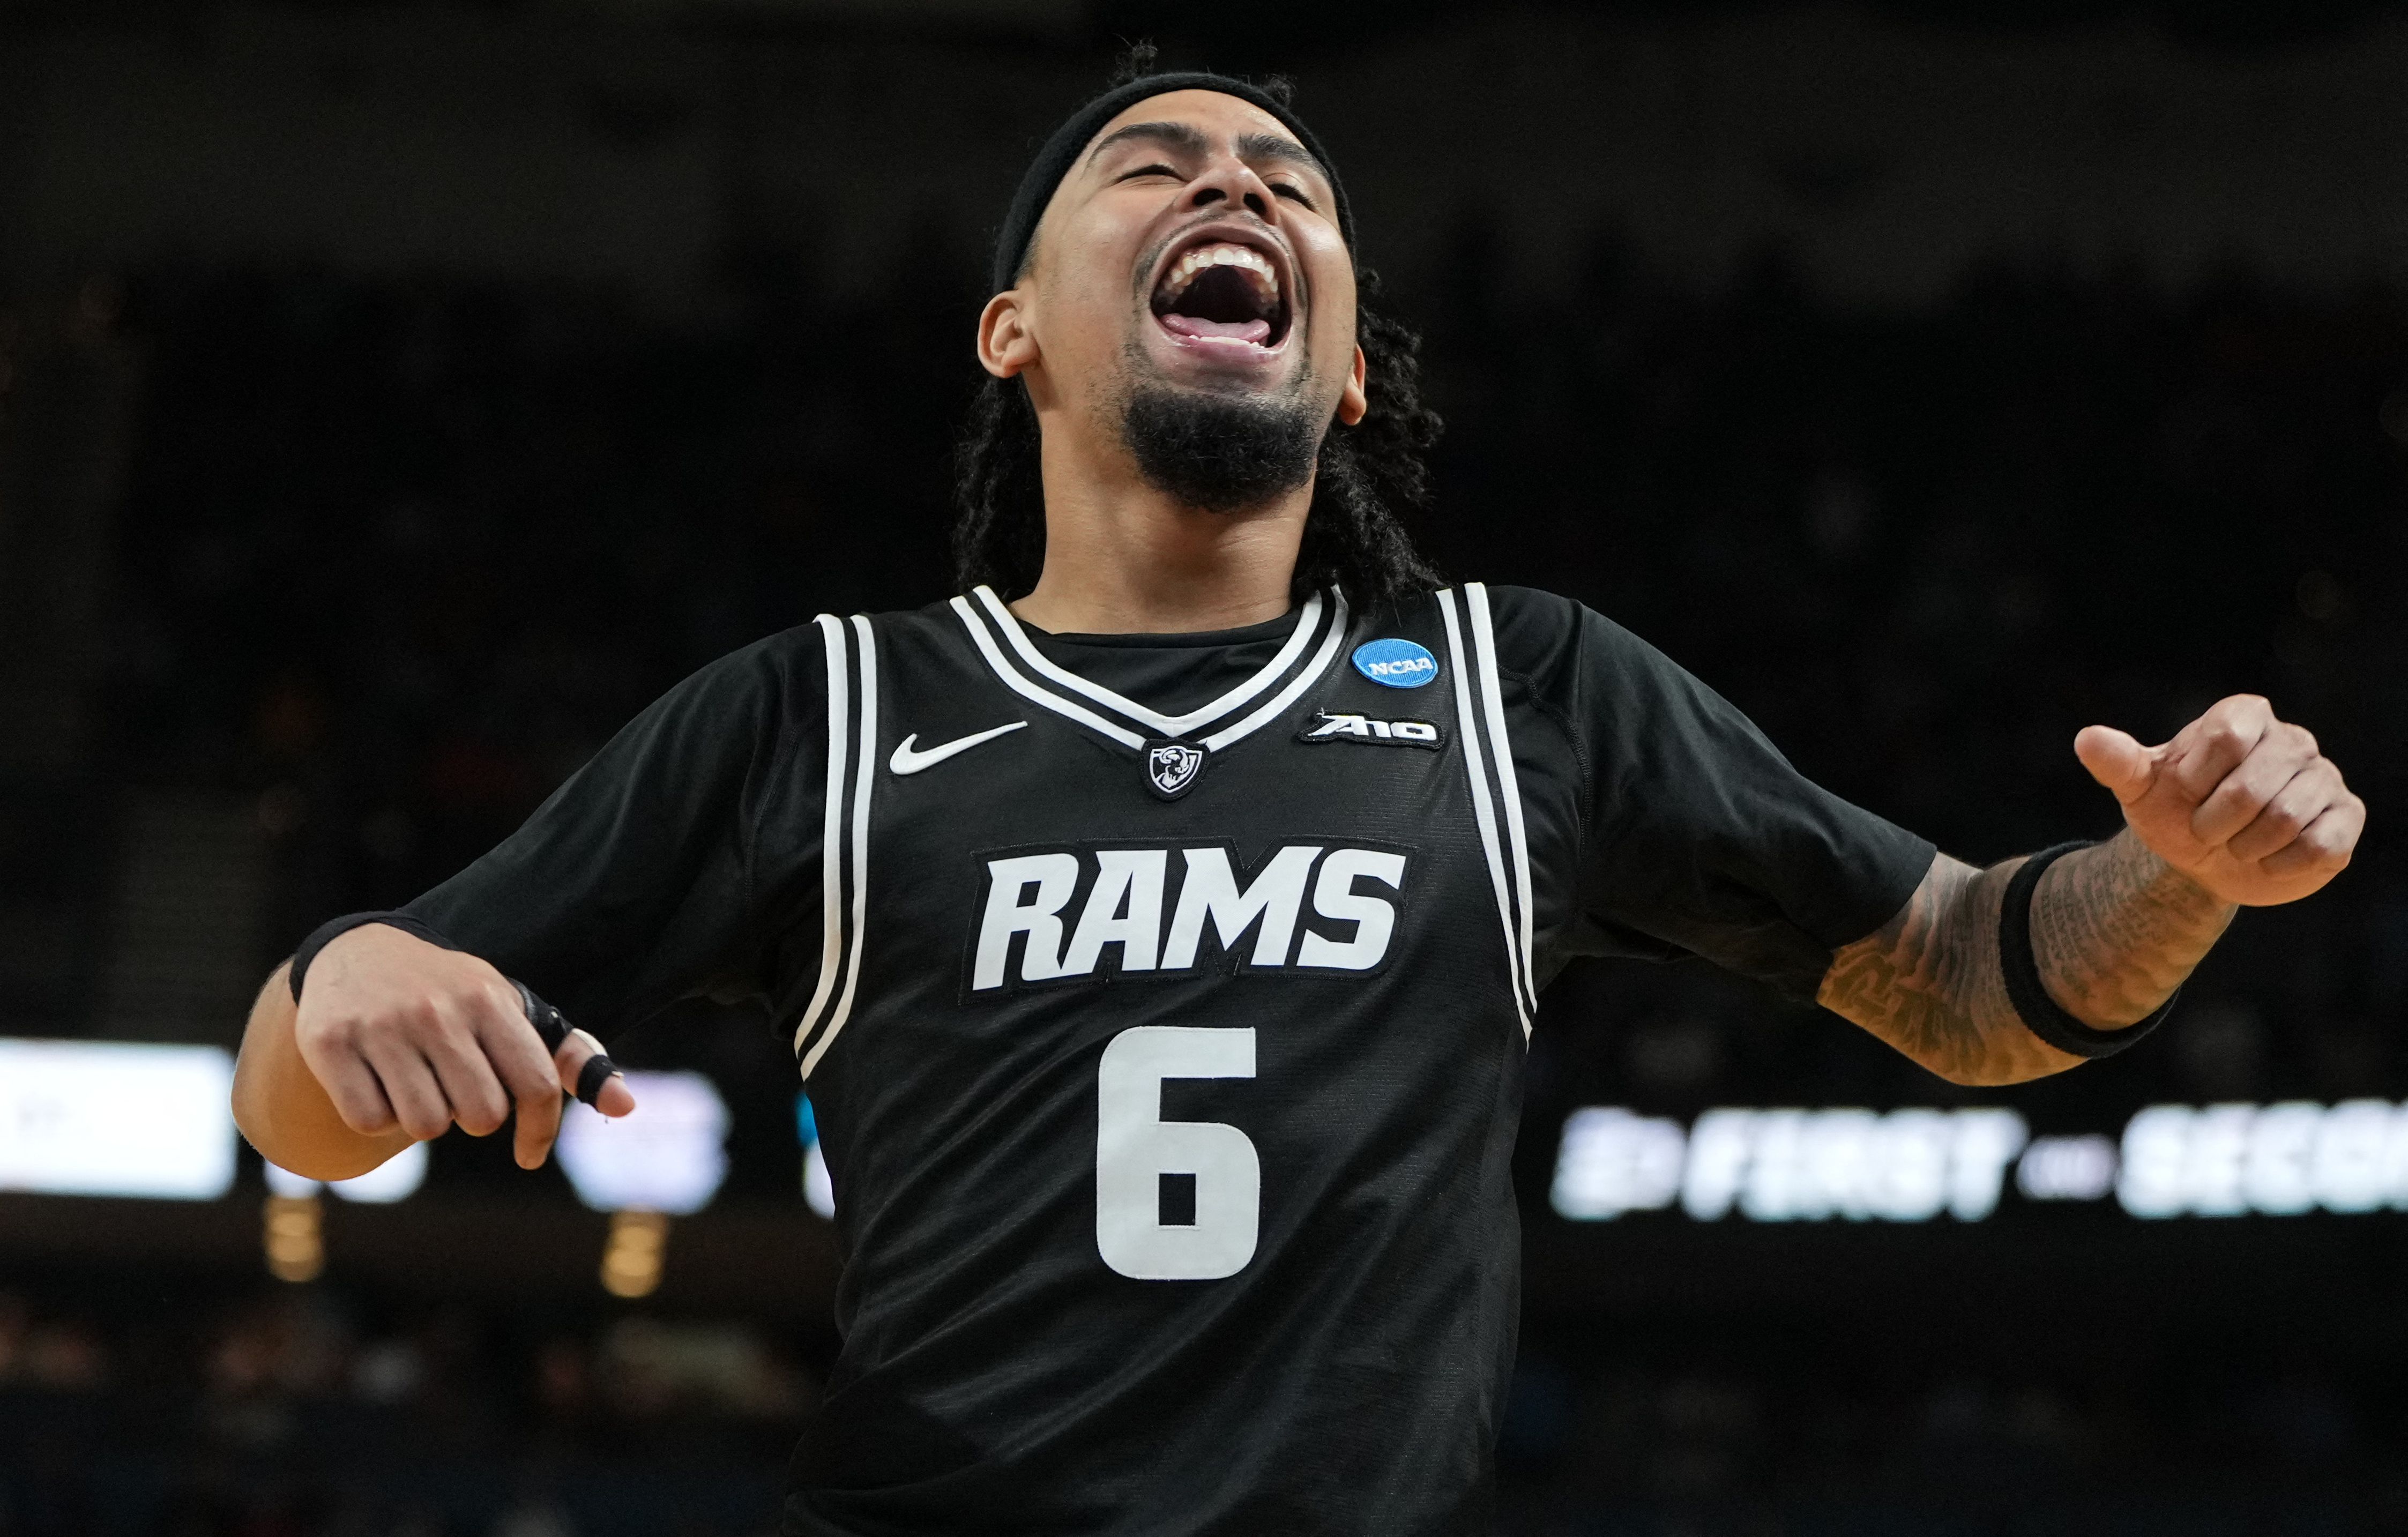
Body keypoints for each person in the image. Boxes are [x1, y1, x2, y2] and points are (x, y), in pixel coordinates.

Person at [231, 61, 2365, 1536]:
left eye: (1291, 182)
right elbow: (297, 1099)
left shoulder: (1523, 691)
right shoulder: (831, 708)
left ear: (1344, 366)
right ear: (1014, 333)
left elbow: (1965, 983)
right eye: (1151, 165)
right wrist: (347, 981)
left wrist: (2167, 876)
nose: (1237, 188)